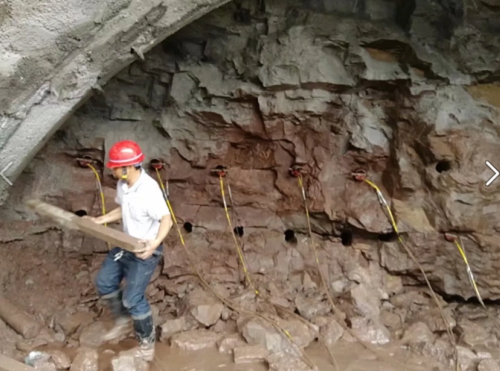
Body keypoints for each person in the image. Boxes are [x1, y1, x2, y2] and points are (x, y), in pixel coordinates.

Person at [86, 140, 172, 362]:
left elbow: (167, 219)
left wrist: (154, 245)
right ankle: (123, 321)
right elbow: (123, 208)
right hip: (126, 244)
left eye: (115, 167)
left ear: (128, 167)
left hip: (145, 250)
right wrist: (100, 220)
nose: (112, 171)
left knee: (132, 298)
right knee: (105, 282)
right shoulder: (123, 184)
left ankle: (146, 346)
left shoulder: (149, 190)